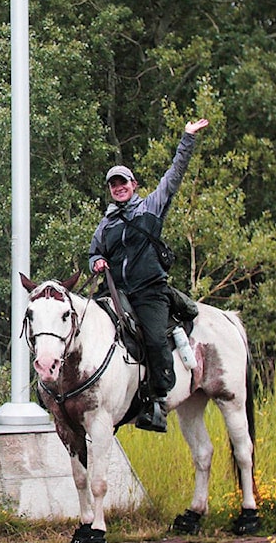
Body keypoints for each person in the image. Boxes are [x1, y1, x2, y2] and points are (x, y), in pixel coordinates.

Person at [88, 118, 209, 433]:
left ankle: (157, 400)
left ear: (134, 185)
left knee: (155, 339)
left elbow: (174, 175)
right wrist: (98, 262)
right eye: (114, 185)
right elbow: (94, 253)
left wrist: (187, 138)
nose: (119, 188)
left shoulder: (151, 207)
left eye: (123, 183)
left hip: (149, 291)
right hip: (116, 292)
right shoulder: (107, 224)